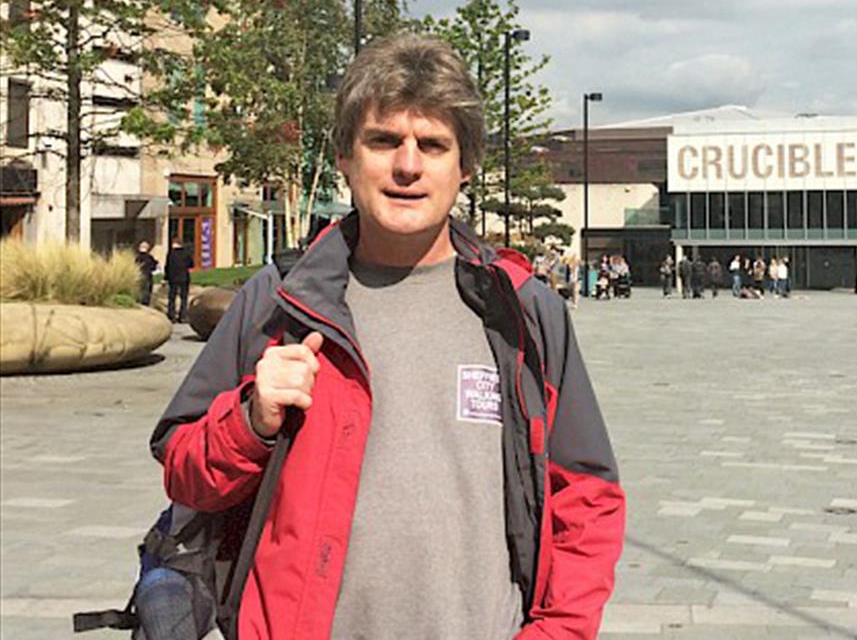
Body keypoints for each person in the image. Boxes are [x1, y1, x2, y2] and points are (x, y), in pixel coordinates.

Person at [150, 35, 625, 640]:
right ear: (347, 157)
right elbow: (184, 473)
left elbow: (587, 498)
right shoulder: (278, 300)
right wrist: (250, 420)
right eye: (383, 141)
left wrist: (557, 632)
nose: (407, 165)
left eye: (432, 145)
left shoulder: (523, 311)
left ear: (465, 166)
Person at [164, 239, 193, 324]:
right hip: (184, 277)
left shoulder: (171, 254)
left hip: (173, 278)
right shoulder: (186, 253)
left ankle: (171, 315)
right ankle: (183, 316)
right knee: (183, 297)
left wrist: (166, 277)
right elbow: (191, 264)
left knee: (172, 297)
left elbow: (167, 267)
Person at [135, 240, 158, 307]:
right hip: (147, 274)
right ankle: (145, 302)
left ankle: (139, 301)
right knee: (147, 289)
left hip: (139, 275)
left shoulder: (137, 257)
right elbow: (153, 267)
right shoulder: (149, 257)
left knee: (140, 288)